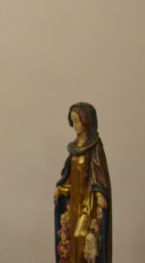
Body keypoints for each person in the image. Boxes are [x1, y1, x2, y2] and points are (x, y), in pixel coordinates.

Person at [54, 102, 112, 263]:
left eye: (77, 121)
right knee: (71, 236)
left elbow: (98, 174)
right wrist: (61, 189)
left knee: (82, 234)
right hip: (74, 201)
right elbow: (69, 176)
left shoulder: (95, 146)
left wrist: (99, 194)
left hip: (88, 202)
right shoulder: (74, 148)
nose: (74, 125)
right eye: (72, 121)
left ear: (86, 121)